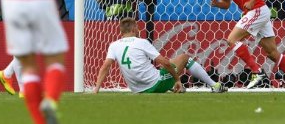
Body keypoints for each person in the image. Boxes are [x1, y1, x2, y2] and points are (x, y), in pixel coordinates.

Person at [94, 17, 227, 93]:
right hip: (154, 84)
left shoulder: (114, 45)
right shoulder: (141, 42)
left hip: (136, 89)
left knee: (158, 70)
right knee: (184, 58)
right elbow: (165, 62)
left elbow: (105, 66)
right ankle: (214, 86)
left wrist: (96, 89)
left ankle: (170, 87)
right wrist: (178, 80)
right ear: (134, 29)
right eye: (138, 28)